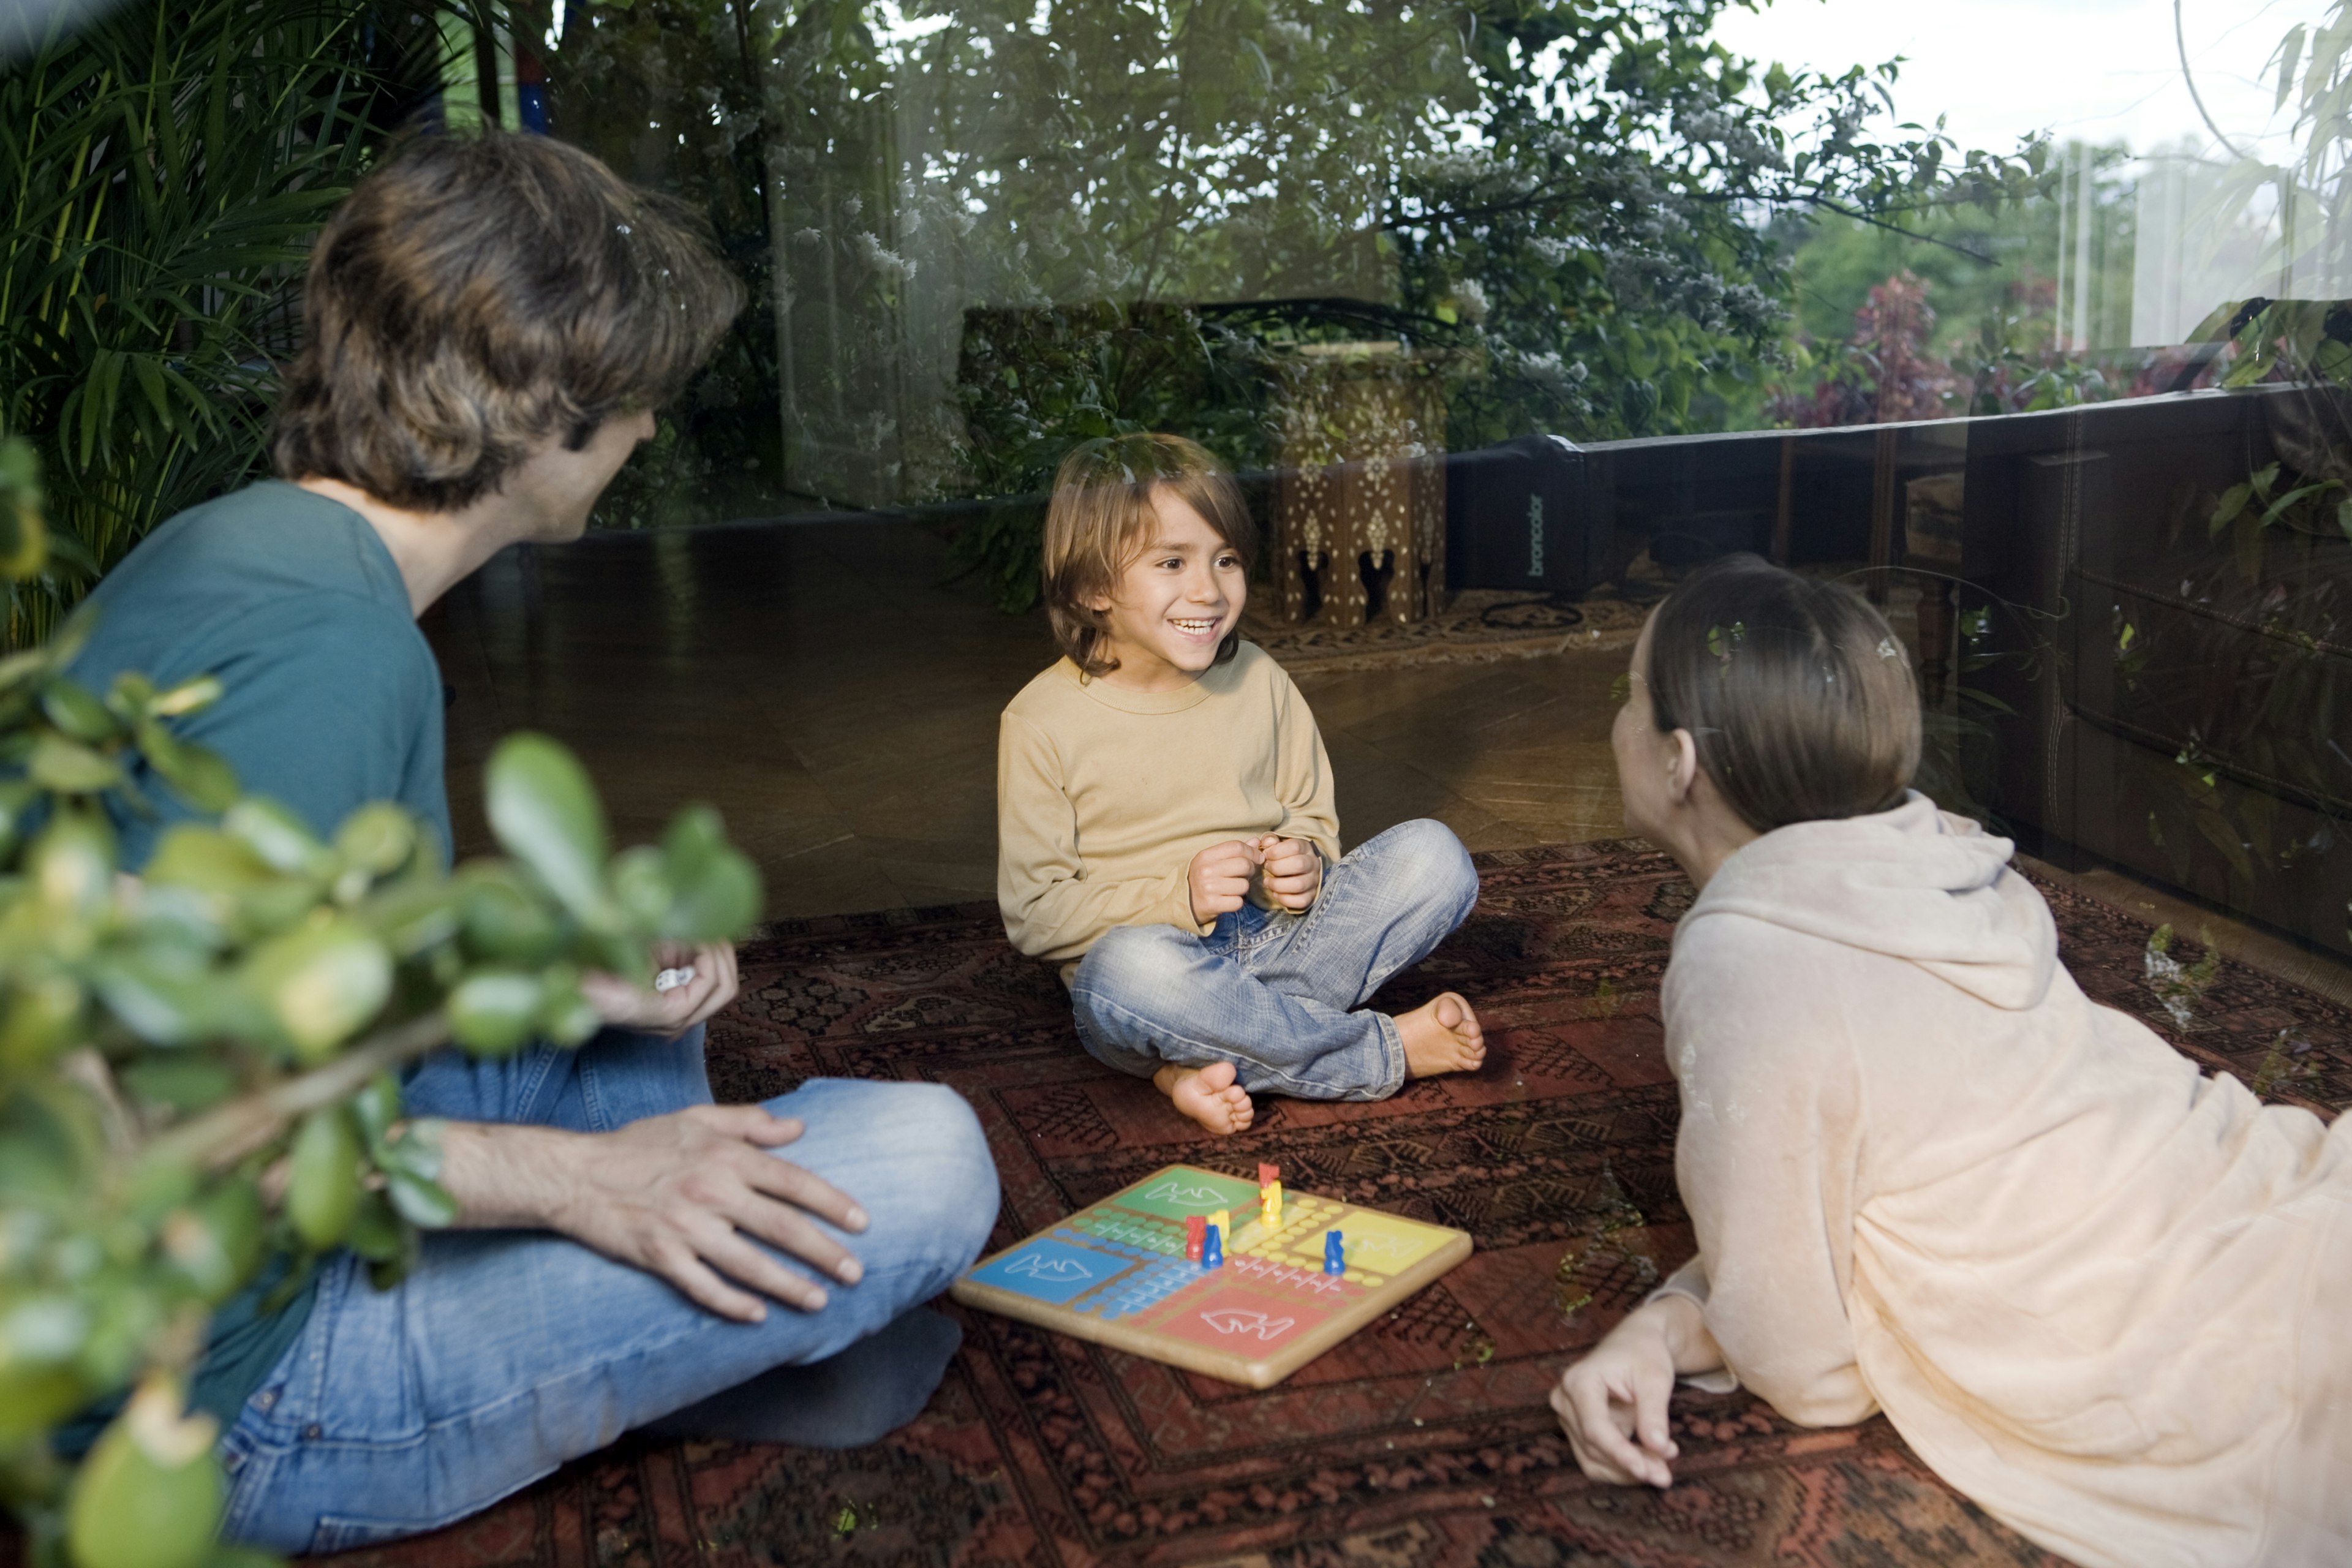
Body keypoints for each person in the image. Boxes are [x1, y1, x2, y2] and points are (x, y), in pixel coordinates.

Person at [63, 132, 998, 1553]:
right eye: (639, 405)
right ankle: (633, 1311)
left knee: (623, 982)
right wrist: (583, 1182)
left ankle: (641, 1296)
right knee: (930, 1162)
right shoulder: (334, 657)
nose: (642, 437)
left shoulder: (247, 547)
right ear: (550, 403)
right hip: (230, 1399)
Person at [1548, 552, 2351, 1566]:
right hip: (2248, 1210)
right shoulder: (1934, 852)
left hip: (2196, 1348)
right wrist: (1665, 1325)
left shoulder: (1748, 961)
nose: (1612, 724)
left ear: (1678, 761)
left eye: (1628, 698)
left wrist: (1685, 1321)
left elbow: (1806, 1366)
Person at [995, 433, 1486, 1137]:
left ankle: (1201, 1056)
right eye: (1172, 562)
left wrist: (1307, 863)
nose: (1208, 589)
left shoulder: (1260, 676)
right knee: (1131, 971)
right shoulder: (1040, 721)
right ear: (1092, 587)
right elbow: (1034, 915)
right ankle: (1379, 1053)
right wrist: (1178, 897)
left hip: (1279, 942)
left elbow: (1314, 819)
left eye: (1225, 559)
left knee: (1436, 857)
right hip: (1153, 970)